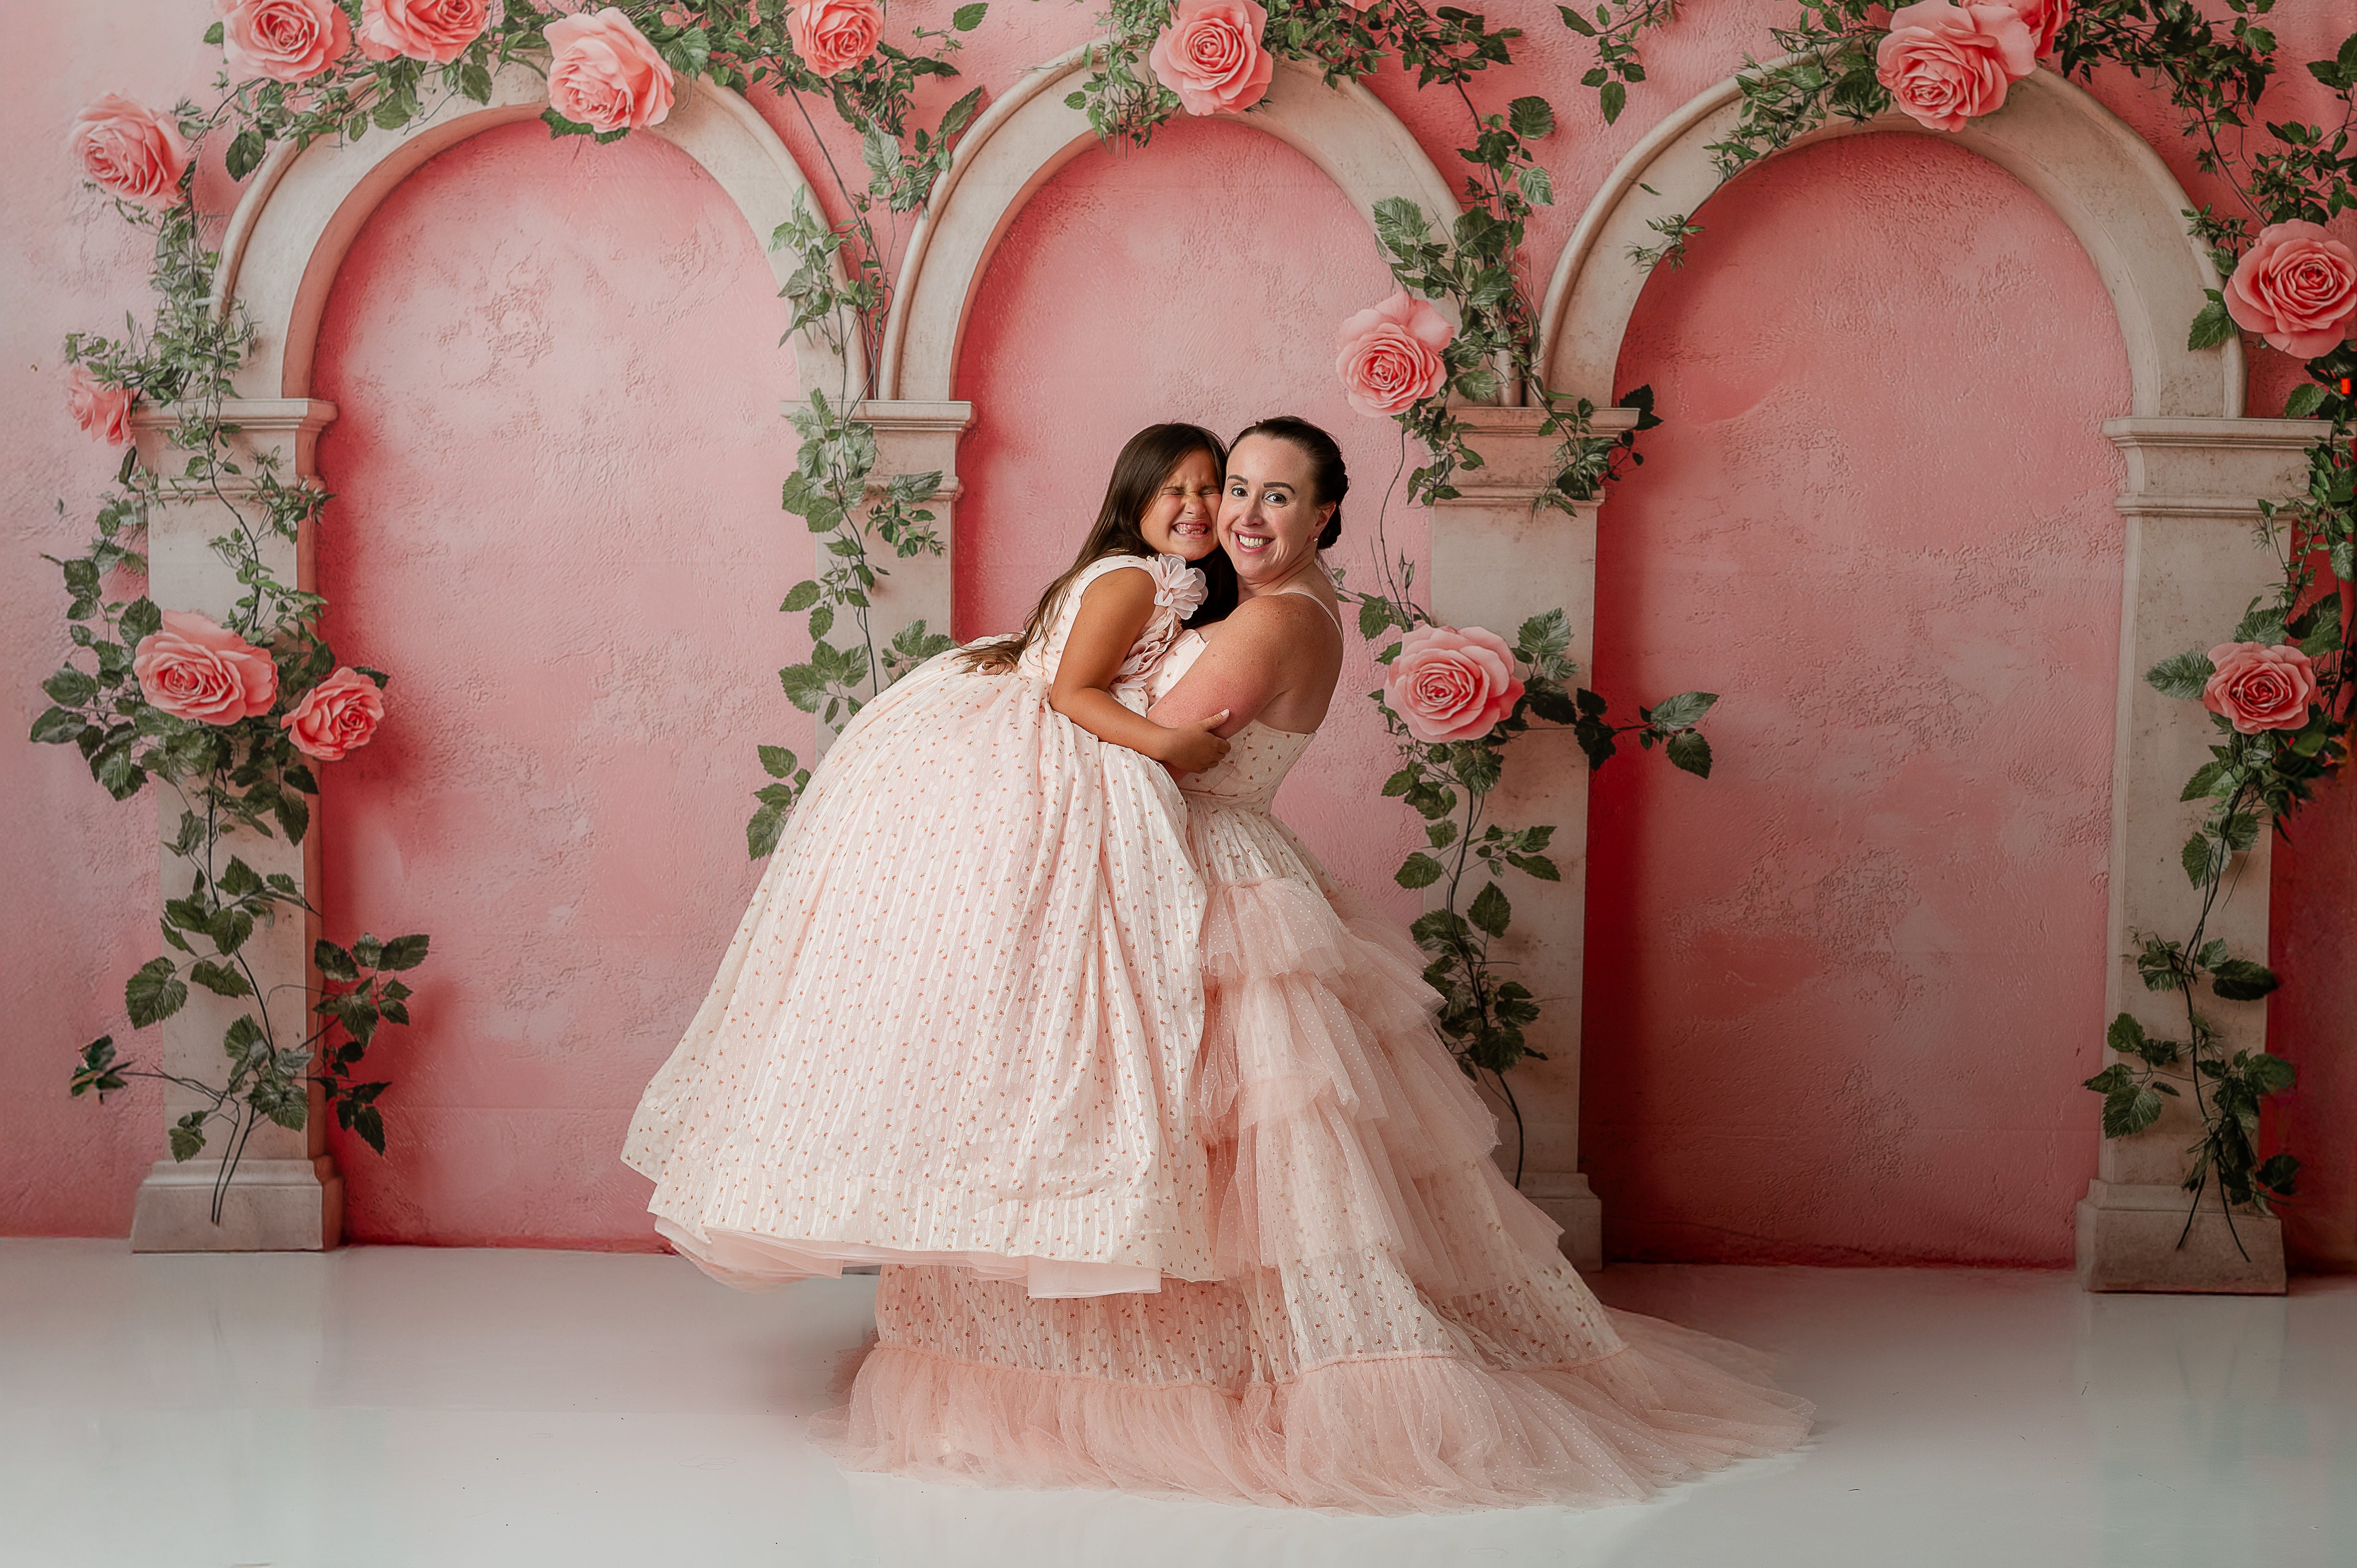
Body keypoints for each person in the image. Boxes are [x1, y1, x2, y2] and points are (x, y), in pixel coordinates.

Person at [827, 417, 1815, 1513]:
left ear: (1328, 513)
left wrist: (1033, 707)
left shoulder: (1269, 626)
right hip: (1187, 859)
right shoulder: (1245, 603)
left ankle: (1231, 1375)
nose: (1241, 515)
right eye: (1233, 488)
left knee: (1227, 1145)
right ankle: (1164, 1345)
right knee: (1176, 1139)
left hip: (1208, 871)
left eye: (1277, 497)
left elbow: (1141, 741)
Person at [623, 423, 1240, 1300]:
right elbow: (1073, 693)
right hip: (1038, 749)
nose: (1195, 506)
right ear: (1132, 498)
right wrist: (1170, 743)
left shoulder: (1156, 581)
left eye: (1211, 489)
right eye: (1173, 489)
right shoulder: (1133, 578)